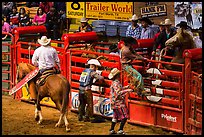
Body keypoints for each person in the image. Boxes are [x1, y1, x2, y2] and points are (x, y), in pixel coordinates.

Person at [108, 68, 133, 135]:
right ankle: (120, 130)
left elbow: (119, 89)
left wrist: (126, 87)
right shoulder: (116, 83)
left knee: (115, 116)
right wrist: (128, 90)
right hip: (118, 102)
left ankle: (112, 129)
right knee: (125, 115)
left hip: (114, 102)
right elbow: (118, 92)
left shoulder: (115, 82)